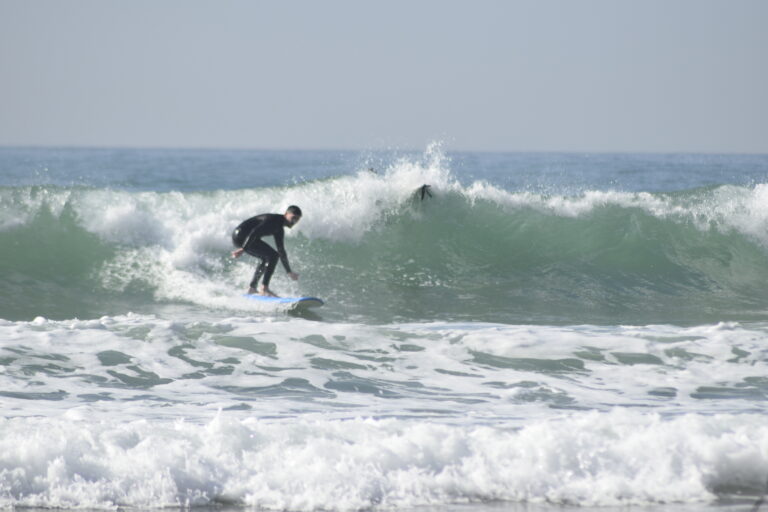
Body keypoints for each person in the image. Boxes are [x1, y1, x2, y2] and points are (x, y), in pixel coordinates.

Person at [231, 205, 302, 296]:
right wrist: (243, 249)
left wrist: (289, 271)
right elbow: (254, 232)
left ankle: (252, 288)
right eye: (293, 217)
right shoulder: (273, 220)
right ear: (286, 214)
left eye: (297, 219)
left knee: (268, 258)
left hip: (244, 238)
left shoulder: (279, 229)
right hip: (241, 235)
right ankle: (264, 288)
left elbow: (281, 251)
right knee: (273, 256)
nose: (294, 221)